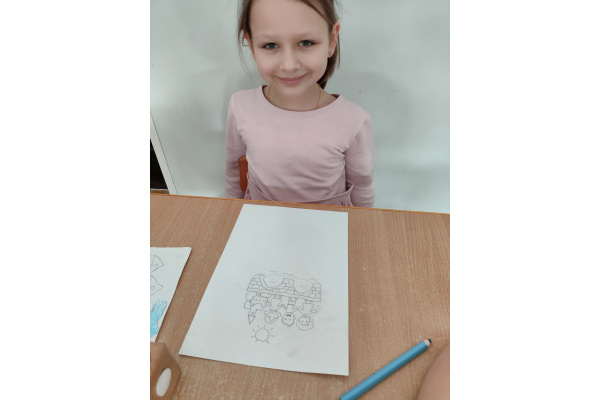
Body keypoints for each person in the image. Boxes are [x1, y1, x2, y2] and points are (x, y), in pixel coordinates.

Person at [225, 0, 374, 207]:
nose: (289, 65)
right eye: (270, 45)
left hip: (332, 221)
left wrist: (362, 226)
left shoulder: (353, 119)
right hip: (260, 217)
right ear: (251, 46)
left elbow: (362, 190)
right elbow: (233, 174)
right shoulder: (240, 106)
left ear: (332, 40)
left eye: (306, 42)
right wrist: (231, 213)